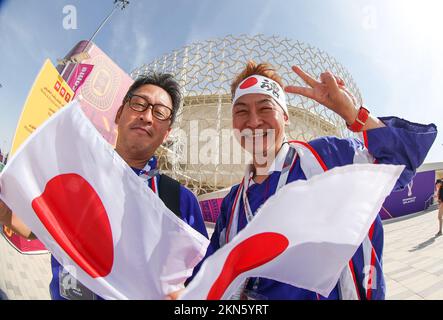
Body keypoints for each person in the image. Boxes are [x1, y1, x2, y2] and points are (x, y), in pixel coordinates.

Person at [186, 61, 437, 300]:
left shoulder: (330, 158)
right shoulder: (233, 204)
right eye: (242, 111)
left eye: (265, 108)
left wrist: (353, 114)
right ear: (234, 123)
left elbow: (402, 161)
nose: (253, 121)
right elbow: (211, 275)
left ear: (285, 116)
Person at [0, 73, 208, 300]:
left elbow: (198, 288)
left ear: (167, 133)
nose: (147, 116)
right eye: (139, 104)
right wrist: (4, 211)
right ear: (119, 114)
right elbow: (37, 229)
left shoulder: (181, 201)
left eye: (160, 112)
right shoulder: (77, 172)